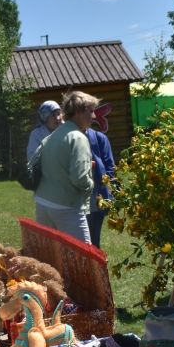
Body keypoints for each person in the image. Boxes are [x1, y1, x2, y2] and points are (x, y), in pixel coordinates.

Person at [33, 91, 95, 244]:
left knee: (52, 255)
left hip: (43, 203)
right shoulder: (78, 137)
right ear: (79, 112)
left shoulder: (53, 135)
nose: (93, 116)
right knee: (84, 257)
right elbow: (79, 178)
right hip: (66, 206)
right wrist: (92, 183)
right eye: (91, 111)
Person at [86, 126, 116, 249]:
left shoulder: (100, 138)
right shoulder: (69, 138)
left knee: (93, 238)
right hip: (76, 198)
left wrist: (104, 187)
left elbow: (110, 167)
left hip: (96, 196)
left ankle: (94, 265)